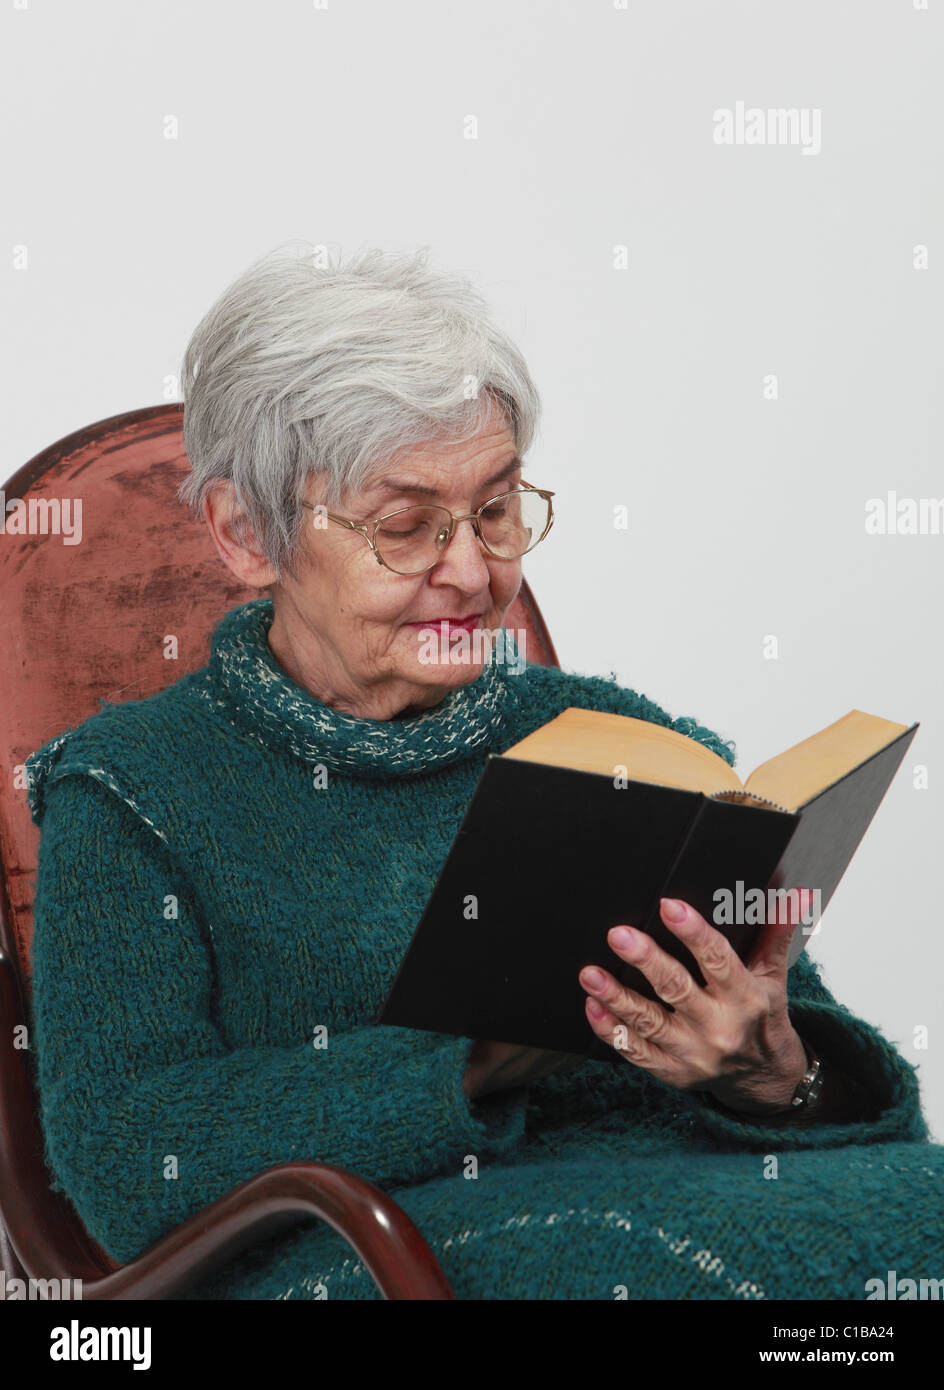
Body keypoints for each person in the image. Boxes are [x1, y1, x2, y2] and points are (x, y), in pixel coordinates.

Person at [25, 245, 941, 1301]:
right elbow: (129, 1166)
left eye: (497, 510)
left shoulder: (606, 735)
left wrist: (778, 1075)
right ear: (245, 535)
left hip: (686, 1191)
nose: (471, 573)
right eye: (405, 528)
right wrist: (472, 1062)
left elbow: (852, 1121)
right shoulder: (132, 786)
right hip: (374, 1247)